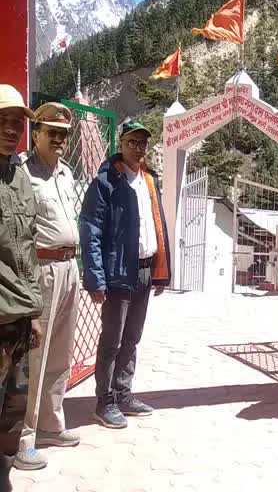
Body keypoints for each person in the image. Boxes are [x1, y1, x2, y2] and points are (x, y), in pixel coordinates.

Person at [80, 119, 171, 429]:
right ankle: (103, 402)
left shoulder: (149, 180)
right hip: (118, 272)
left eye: (143, 143)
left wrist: (161, 271)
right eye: (132, 142)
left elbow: (157, 225)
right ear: (120, 144)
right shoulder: (106, 182)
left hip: (145, 269)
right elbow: (90, 231)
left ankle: (123, 393)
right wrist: (95, 278)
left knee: (132, 338)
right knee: (112, 341)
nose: (138, 148)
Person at [14, 103, 81, 471]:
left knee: (61, 353)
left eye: (63, 134)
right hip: (40, 269)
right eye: (50, 132)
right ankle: (24, 437)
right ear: (35, 132)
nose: (58, 139)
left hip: (69, 267)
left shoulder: (66, 173)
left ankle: (51, 426)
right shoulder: (22, 173)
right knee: (34, 357)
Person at [0, 85, 43, 488]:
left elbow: (27, 249)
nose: (11, 130)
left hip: (18, 317)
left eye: (17, 124)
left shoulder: (20, 176)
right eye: (3, 121)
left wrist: (34, 312)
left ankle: (4, 471)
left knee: (14, 405)